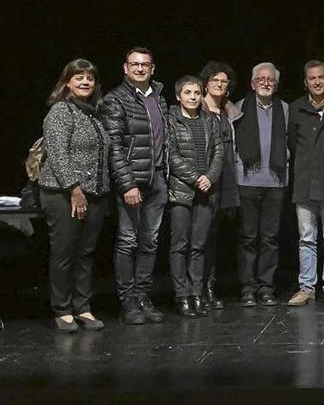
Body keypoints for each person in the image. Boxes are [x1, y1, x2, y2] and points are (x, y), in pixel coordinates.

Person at [39, 59, 110, 332]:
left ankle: (83, 307)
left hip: (94, 194)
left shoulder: (93, 113)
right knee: (64, 253)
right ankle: (63, 309)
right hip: (63, 194)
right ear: (67, 82)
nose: (85, 82)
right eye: (78, 77)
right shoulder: (61, 111)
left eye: (89, 78)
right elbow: (58, 154)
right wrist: (74, 189)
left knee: (86, 253)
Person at [103, 47, 168, 325]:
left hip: (158, 180)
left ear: (153, 68)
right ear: (125, 68)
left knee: (150, 242)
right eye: (135, 64)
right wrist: (127, 183)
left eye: (145, 65)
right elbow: (114, 146)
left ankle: (143, 296)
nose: (140, 69)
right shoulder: (115, 99)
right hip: (132, 182)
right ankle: (127, 301)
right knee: (128, 241)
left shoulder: (160, 98)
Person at [287, 60, 324, 308]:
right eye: (312, 78)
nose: (317, 82)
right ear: (306, 82)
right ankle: (306, 288)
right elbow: (292, 143)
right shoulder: (296, 108)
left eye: (321, 77)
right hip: (304, 182)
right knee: (306, 239)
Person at [166, 76, 223, 317]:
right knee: (180, 245)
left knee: (199, 246)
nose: (193, 97)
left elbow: (219, 151)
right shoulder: (171, 120)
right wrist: (194, 178)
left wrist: (209, 177)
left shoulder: (209, 120)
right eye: (187, 93)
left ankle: (197, 293)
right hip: (182, 191)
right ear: (178, 96)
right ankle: (182, 295)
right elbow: (170, 154)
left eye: (197, 93)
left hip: (206, 191)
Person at [234, 62, 289, 307]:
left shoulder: (286, 110)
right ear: (252, 84)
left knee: (270, 238)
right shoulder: (237, 108)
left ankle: (266, 287)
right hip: (246, 180)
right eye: (261, 79)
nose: (265, 83)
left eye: (270, 80)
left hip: (276, 182)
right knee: (247, 236)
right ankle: (248, 288)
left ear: (276, 85)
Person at [200, 61, 242, 310]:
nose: (218, 84)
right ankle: (196, 289)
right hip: (204, 180)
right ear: (205, 82)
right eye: (214, 79)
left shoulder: (230, 112)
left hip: (226, 178)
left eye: (223, 81)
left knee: (213, 237)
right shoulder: (197, 108)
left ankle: (209, 286)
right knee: (199, 238)